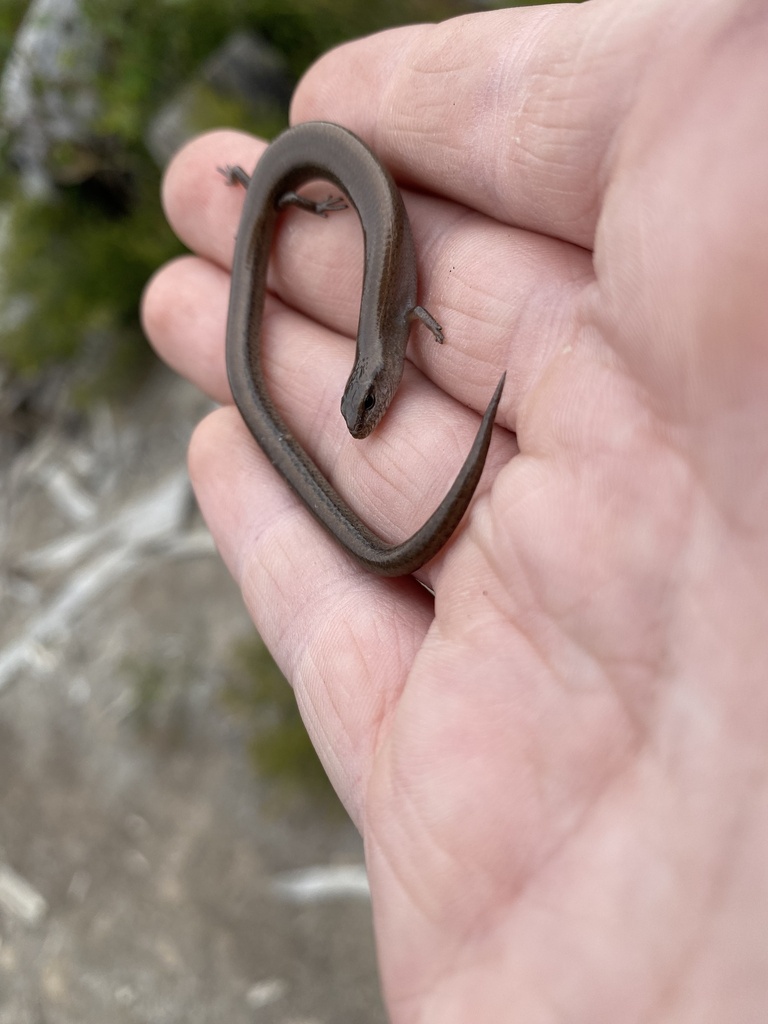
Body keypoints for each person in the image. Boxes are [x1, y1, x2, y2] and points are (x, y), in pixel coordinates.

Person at [142, 0, 768, 1018]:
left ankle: (271, 194)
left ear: (383, 370)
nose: (368, 415)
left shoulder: (396, 319)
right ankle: (264, 196)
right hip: (300, 180)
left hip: (318, 177)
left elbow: (412, 317)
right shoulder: (387, 326)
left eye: (371, 403)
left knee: (271, 357)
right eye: (371, 402)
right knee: (251, 383)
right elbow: (397, 330)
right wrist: (280, 196)